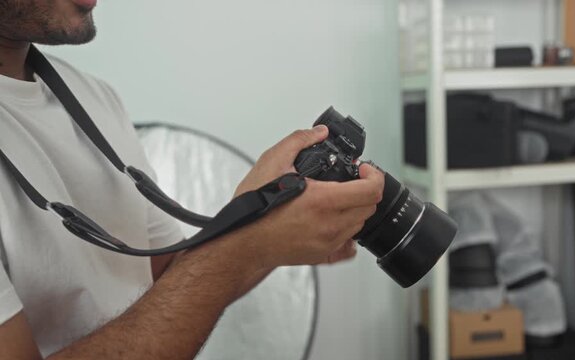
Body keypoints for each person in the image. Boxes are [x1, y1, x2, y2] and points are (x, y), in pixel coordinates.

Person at [0, 1, 385, 359]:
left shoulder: (93, 97)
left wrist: (271, 218)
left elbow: (175, 282)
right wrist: (246, 245)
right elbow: (207, 272)